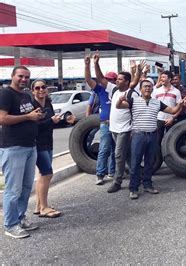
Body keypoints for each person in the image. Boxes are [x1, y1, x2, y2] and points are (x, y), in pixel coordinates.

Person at [116, 79, 185, 199]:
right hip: (138, 135)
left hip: (153, 135)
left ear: (152, 89)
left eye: (149, 86)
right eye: (145, 87)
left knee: (149, 162)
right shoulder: (133, 101)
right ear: (141, 89)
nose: (147, 88)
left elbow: (173, 110)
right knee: (136, 162)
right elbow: (120, 106)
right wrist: (119, 100)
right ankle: (133, 188)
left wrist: (180, 104)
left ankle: (148, 185)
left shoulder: (157, 103)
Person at [0, 66, 44, 238]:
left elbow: (32, 113)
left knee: (26, 187)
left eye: (27, 77)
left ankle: (20, 218)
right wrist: (28, 117)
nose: (24, 79)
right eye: (20, 76)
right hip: (13, 147)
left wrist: (37, 115)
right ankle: (10, 225)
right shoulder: (6, 94)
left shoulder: (26, 95)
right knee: (13, 189)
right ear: (12, 76)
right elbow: (2, 118)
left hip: (29, 146)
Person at [91, 52, 141, 191]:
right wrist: (96, 63)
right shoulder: (114, 90)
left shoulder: (132, 94)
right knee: (128, 155)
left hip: (125, 129)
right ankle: (137, 175)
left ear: (126, 81)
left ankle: (117, 182)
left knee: (118, 155)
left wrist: (133, 130)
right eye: (117, 79)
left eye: (119, 79)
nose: (116, 81)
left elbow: (135, 113)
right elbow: (100, 79)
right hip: (114, 129)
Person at [31, 80, 74, 218]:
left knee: (43, 175)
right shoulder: (32, 105)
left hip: (48, 142)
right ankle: (44, 207)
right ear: (33, 91)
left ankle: (39, 206)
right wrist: (51, 121)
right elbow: (34, 125)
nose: (41, 90)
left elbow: (52, 122)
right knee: (47, 174)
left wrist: (65, 121)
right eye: (37, 88)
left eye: (43, 87)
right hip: (37, 144)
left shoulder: (48, 103)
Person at [84, 57, 117, 184]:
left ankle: (112, 172)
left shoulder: (118, 90)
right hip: (105, 123)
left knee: (116, 151)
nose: (107, 81)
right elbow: (88, 79)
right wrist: (88, 65)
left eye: (110, 80)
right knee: (104, 149)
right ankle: (100, 174)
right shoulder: (100, 90)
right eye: (106, 79)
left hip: (118, 124)